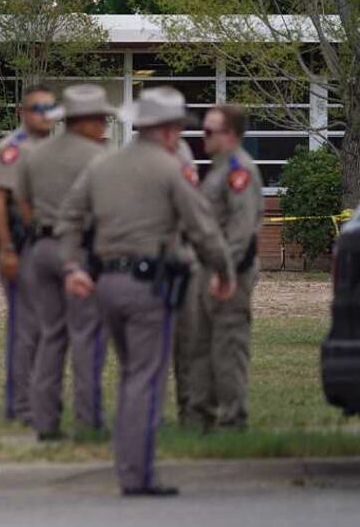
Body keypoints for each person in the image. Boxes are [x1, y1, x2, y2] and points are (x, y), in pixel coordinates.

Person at [58, 87, 235, 497]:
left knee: (131, 375)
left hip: (106, 285)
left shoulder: (102, 166)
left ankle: (130, 466)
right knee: (144, 378)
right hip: (149, 287)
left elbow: (69, 217)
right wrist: (223, 269)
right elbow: (202, 227)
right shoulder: (169, 168)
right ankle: (137, 476)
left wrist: (71, 267)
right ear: (170, 130)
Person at [17, 84, 115, 440]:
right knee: (87, 337)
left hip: (41, 246)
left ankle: (45, 421)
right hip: (81, 251)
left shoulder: (34, 154)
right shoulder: (99, 157)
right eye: (101, 117)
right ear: (85, 121)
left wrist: (42, 229)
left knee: (51, 335)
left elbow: (22, 202)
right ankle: (88, 422)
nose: (104, 123)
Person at [187, 104, 264, 430]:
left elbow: (241, 230)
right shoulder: (218, 168)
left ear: (230, 134)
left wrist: (225, 271)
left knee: (229, 347)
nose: (202, 137)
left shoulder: (238, 170)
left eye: (209, 131)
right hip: (209, 270)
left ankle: (234, 421)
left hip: (229, 274)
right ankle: (201, 419)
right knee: (202, 347)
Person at [0, 85, 56, 424]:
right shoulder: (12, 148)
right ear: (22, 112)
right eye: (37, 108)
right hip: (23, 246)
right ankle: (21, 405)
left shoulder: (56, 148)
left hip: (51, 248)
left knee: (49, 329)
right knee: (26, 329)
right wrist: (8, 249)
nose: (45, 115)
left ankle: (41, 399)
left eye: (50, 108)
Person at [171, 138, 203, 427]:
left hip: (176, 260)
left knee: (187, 344)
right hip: (171, 260)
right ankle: (189, 414)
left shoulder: (180, 150)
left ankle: (190, 412)